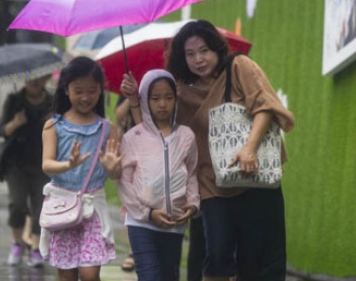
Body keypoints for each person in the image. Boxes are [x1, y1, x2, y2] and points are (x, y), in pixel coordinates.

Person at [121, 20, 295, 281]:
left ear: (216, 48)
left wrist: (249, 149)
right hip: (213, 187)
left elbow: (265, 106)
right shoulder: (180, 91)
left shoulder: (239, 67)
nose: (198, 59)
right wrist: (135, 100)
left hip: (255, 177)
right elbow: (154, 127)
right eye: (190, 54)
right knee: (217, 257)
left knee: (259, 259)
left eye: (204, 50)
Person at [40, 56, 122, 281]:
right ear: (66, 89)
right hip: (62, 207)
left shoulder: (108, 129)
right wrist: (69, 164)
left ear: (100, 91)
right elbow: (46, 165)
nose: (86, 97)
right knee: (66, 275)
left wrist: (113, 168)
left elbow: (117, 174)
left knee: (89, 273)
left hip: (92, 208)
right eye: (78, 90)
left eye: (92, 91)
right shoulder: (53, 125)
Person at [116, 69, 200, 280]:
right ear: (144, 100)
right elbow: (124, 183)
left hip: (175, 224)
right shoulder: (133, 137)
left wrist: (193, 203)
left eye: (168, 97)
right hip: (141, 223)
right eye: (155, 98)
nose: (162, 104)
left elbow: (191, 173)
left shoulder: (186, 136)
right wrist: (148, 213)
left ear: (176, 99)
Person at [0, 76, 53, 267]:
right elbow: (2, 130)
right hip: (16, 163)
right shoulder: (14, 101)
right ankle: (17, 243)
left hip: (43, 162)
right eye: (31, 78)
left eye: (40, 78)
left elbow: (64, 128)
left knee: (41, 208)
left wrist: (54, 121)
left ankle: (35, 248)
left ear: (45, 80)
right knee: (17, 204)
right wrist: (15, 123)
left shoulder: (52, 102)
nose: (35, 82)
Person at [114, 95, 139, 273]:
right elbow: (118, 116)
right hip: (131, 153)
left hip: (155, 151)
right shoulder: (129, 90)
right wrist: (131, 97)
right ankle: (133, 251)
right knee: (131, 203)